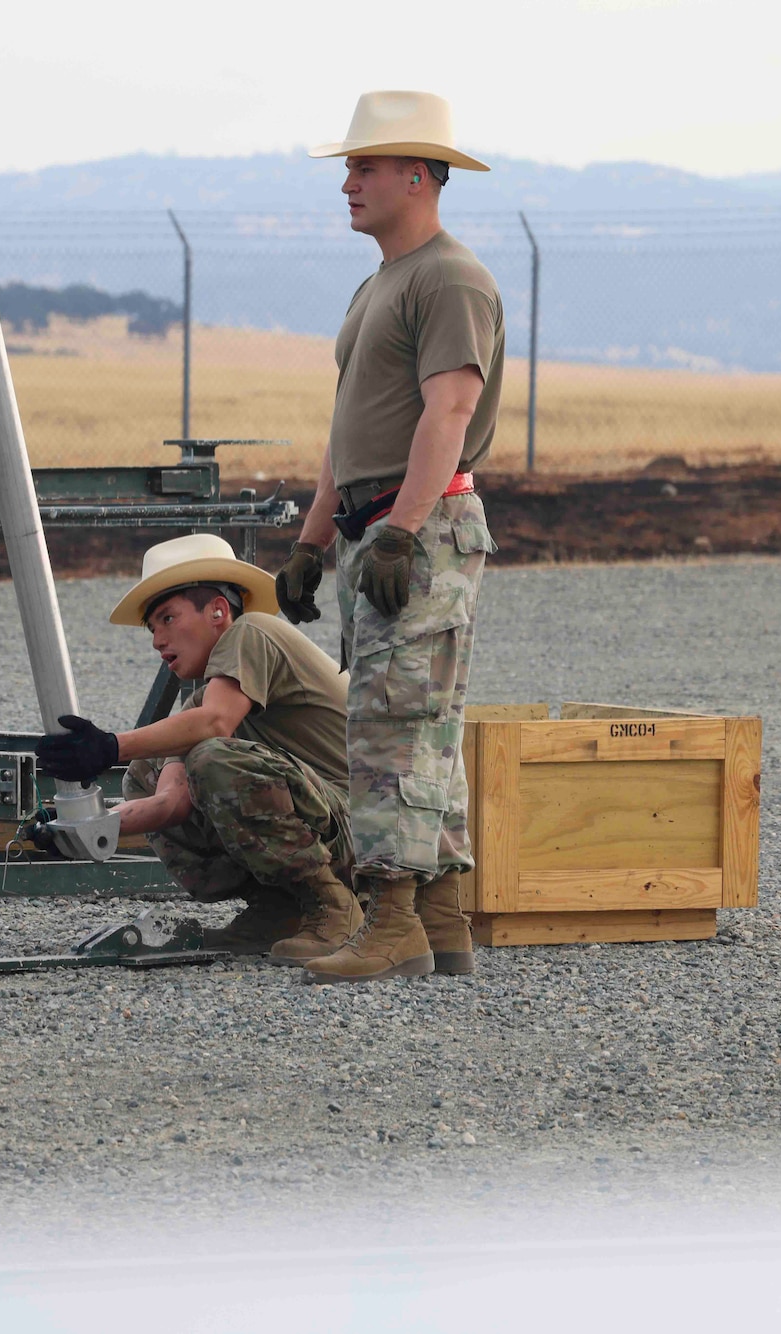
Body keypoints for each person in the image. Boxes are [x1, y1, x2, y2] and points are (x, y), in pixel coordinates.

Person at [274, 90, 504, 983]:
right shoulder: (382, 285)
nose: (347, 182)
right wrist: (313, 539)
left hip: (423, 524)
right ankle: (442, 927)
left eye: (363, 167)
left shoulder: (449, 278)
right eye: (348, 166)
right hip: (378, 529)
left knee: (392, 732)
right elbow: (349, 427)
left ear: (419, 174)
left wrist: (404, 530)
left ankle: (393, 923)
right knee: (410, 727)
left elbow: (449, 410)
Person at [34, 533, 363, 962]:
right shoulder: (204, 702)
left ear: (218, 611)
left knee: (211, 758)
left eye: (167, 619)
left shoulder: (253, 632)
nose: (156, 640)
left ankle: (335, 906)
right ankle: (281, 908)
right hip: (329, 828)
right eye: (153, 628)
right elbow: (171, 802)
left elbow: (215, 724)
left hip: (367, 833)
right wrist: (78, 826)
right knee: (147, 771)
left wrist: (109, 747)